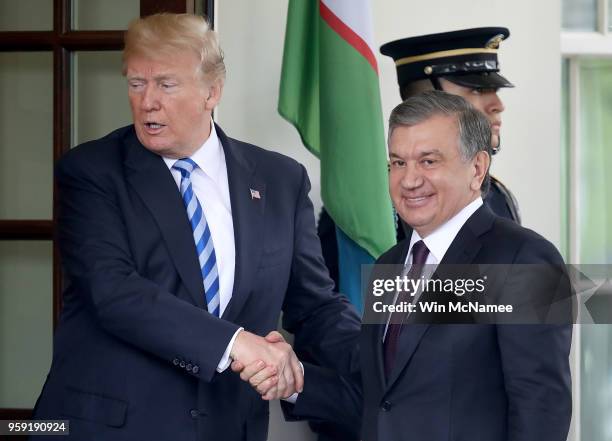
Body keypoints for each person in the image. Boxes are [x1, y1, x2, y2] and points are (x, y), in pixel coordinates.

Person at [31, 13, 360, 441]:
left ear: (212, 91)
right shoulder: (91, 172)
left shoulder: (280, 179)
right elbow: (114, 292)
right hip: (107, 428)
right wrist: (237, 343)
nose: (147, 101)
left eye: (166, 84)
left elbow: (314, 305)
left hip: (227, 428)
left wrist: (381, 360)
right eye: (136, 83)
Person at [235, 91, 572, 441]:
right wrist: (293, 382)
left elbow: (541, 411)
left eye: (428, 161)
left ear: (477, 168)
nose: (408, 180)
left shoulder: (526, 259)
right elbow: (379, 401)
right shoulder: (391, 264)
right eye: (398, 162)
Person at [380, 27, 521, 223]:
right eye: (478, 91)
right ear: (426, 100)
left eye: (494, 90)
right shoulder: (380, 204)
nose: (498, 105)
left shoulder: (495, 196)